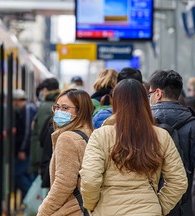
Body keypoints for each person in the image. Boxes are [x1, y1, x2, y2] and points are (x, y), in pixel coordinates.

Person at [80, 79, 187, 216]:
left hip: (108, 210)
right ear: (144, 101)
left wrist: (92, 206)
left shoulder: (100, 135)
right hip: (148, 211)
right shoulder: (161, 136)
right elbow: (179, 181)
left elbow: (89, 179)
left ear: (116, 101)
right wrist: (158, 206)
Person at [37, 89, 94, 216]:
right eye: (57, 107)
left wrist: (43, 211)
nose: (58, 112)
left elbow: (64, 184)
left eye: (65, 108)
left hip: (70, 210)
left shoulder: (67, 138)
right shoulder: (89, 133)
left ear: (80, 112)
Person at [149, 70, 195, 216]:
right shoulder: (193, 124)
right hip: (186, 206)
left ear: (158, 93)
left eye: (150, 94)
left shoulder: (141, 125)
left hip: (149, 204)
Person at [29, 78, 60, 175]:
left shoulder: (45, 106)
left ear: (45, 90)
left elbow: (42, 135)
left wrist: (39, 161)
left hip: (43, 156)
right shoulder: (58, 103)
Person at [13, 89, 37, 198]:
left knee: (19, 174)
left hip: (26, 151)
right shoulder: (28, 109)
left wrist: (22, 149)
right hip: (27, 150)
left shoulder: (27, 110)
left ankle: (31, 197)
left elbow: (28, 131)